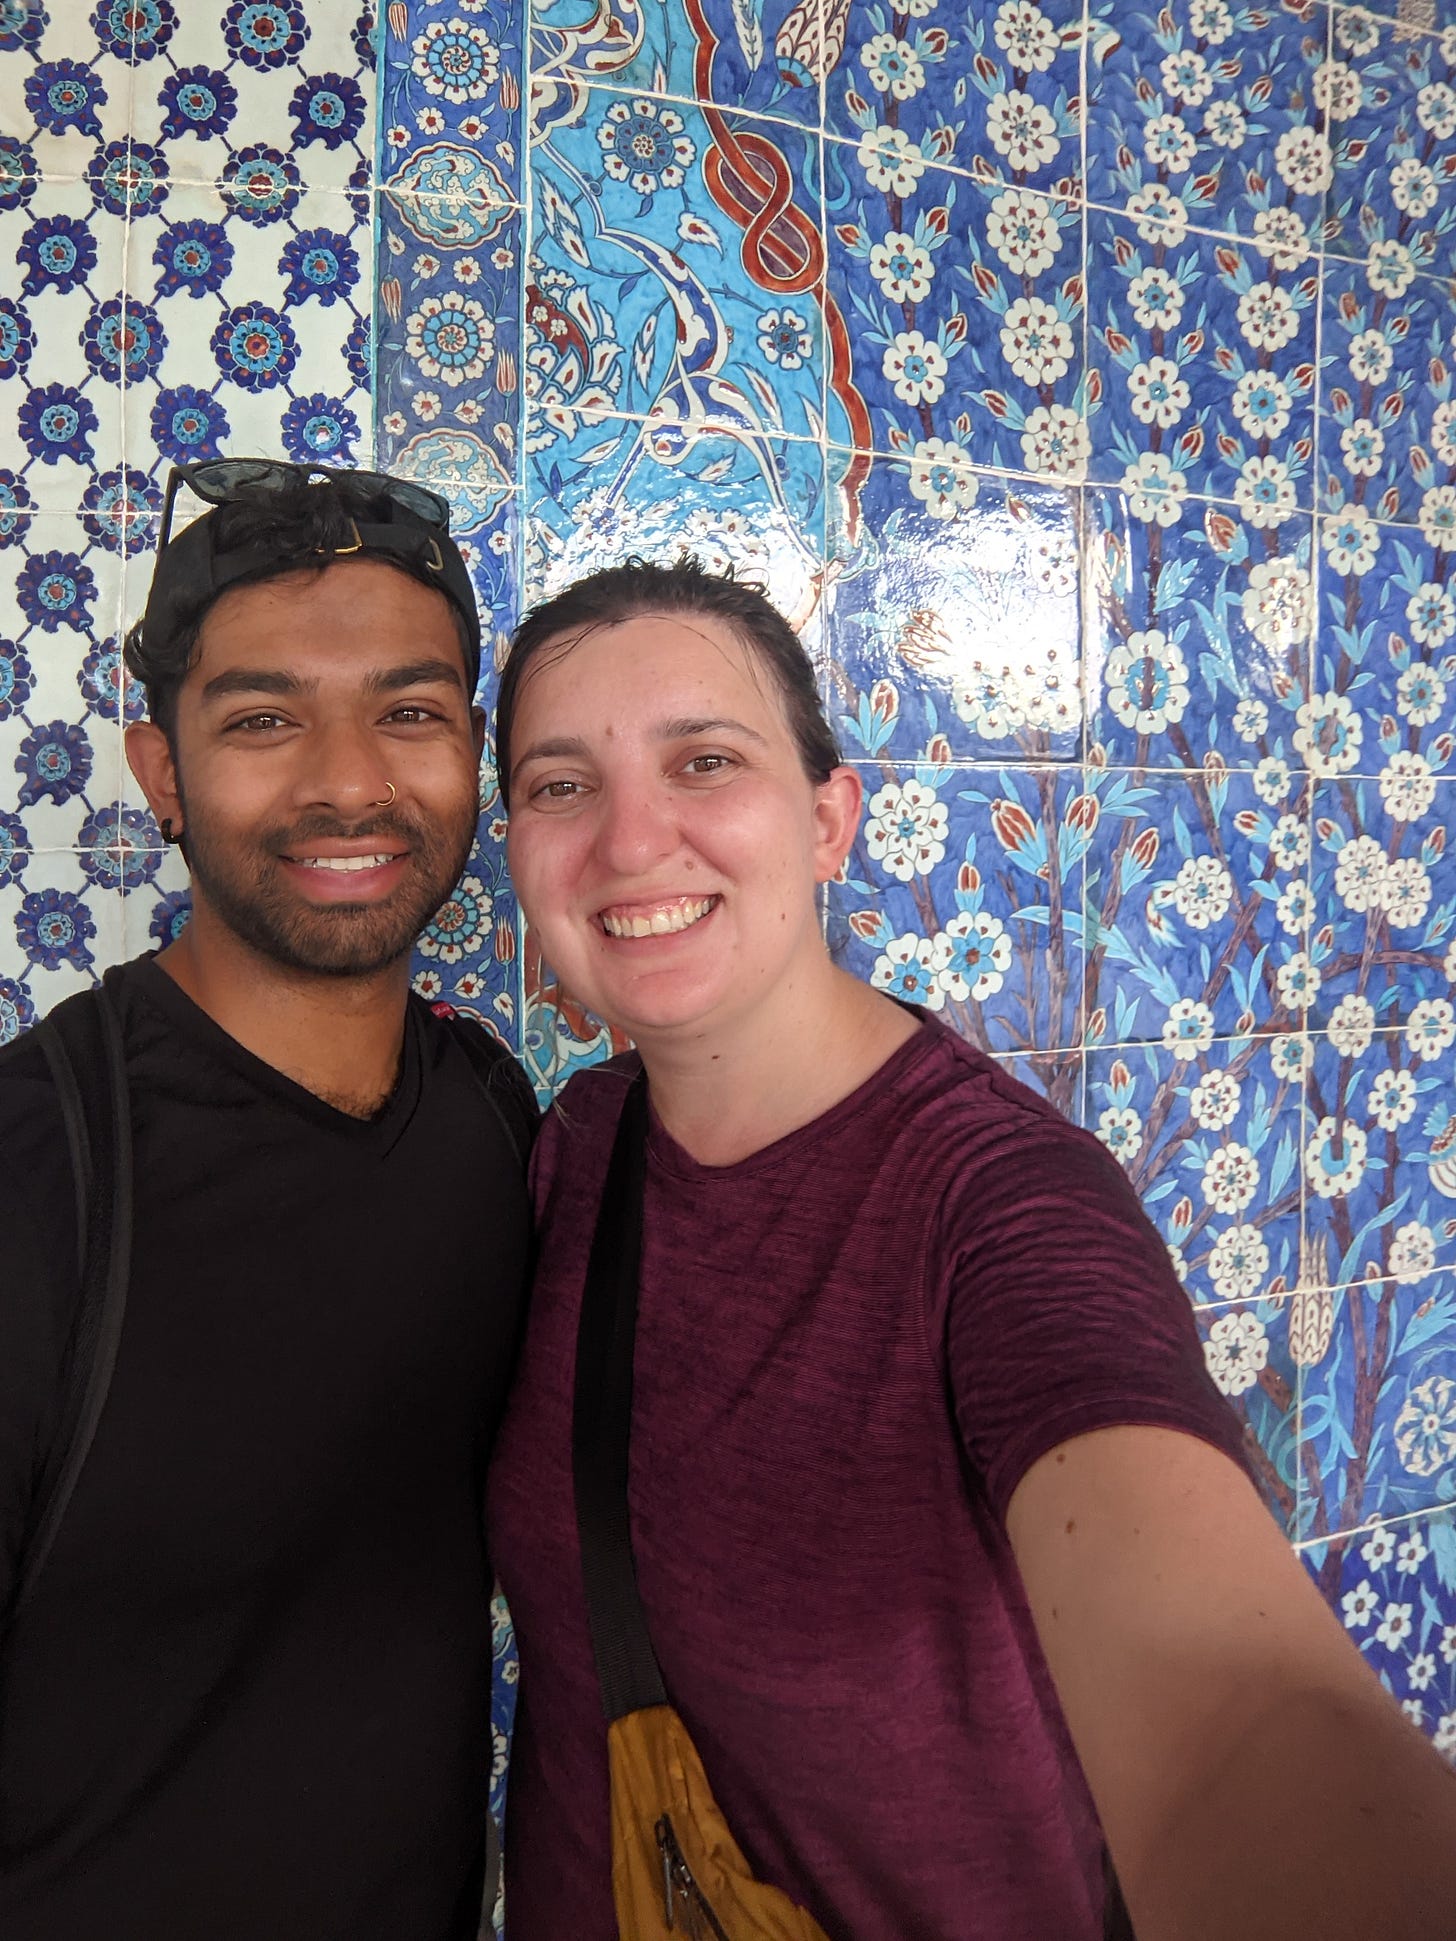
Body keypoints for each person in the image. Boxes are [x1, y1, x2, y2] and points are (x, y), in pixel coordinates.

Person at [487, 558, 1456, 1941]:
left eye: (705, 758)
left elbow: (1235, 1722)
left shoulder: (1001, 1208)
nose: (634, 840)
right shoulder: (574, 1150)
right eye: (559, 783)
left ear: (832, 820)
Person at [0, 462, 536, 1941]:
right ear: (160, 772)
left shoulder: (494, 1123)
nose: (351, 782)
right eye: (262, 719)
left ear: (473, 754)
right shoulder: (43, 1171)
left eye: (410, 712)